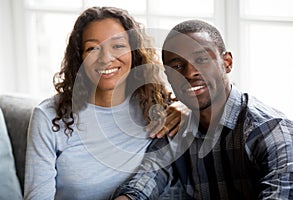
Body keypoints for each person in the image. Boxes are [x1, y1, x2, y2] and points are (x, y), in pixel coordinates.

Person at [113, 20, 293, 200]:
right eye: (177, 66)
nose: (189, 73)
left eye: (202, 59)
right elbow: (145, 181)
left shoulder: (271, 131)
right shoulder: (176, 128)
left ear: (227, 63)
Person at [24, 7, 184, 200]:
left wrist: (188, 107)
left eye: (117, 46)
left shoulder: (154, 102)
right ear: (79, 57)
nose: (106, 58)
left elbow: (217, 94)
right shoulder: (48, 116)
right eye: (93, 48)